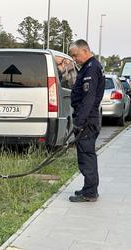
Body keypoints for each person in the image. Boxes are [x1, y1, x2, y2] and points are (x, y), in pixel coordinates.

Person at [68, 39, 105, 202]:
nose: (74, 59)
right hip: (87, 119)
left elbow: (88, 99)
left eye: (75, 55)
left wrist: (79, 121)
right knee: (84, 155)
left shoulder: (91, 68)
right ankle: (88, 188)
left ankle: (90, 193)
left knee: (86, 156)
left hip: (87, 121)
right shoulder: (88, 67)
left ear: (85, 50)